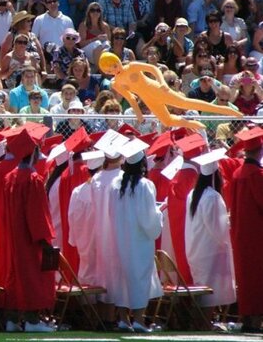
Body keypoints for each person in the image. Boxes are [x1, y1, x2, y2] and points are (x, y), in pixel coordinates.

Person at [98, 52, 240, 130]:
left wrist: (162, 82)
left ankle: (226, 110)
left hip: (158, 89)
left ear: (117, 60)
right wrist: (138, 113)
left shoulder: (132, 66)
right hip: (148, 99)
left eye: (114, 65)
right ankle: (190, 124)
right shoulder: (116, 83)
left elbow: (153, 69)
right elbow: (131, 98)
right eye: (109, 70)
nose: (114, 70)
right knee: (167, 121)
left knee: (185, 103)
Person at [2, 129, 55, 333]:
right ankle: (32, 321)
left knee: (16, 276)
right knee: (32, 275)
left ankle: (12, 320)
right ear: (32, 151)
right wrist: (44, 239)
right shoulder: (33, 179)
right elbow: (37, 214)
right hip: (30, 238)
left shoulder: (10, 178)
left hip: (13, 235)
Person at [109, 151, 163, 332]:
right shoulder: (145, 186)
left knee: (122, 277)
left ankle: (124, 319)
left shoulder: (115, 185)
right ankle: (139, 320)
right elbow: (149, 219)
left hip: (120, 237)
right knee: (140, 277)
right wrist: (160, 213)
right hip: (139, 240)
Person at [185, 150, 236, 323]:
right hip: (211, 250)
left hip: (196, 248)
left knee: (202, 286)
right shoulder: (213, 197)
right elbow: (218, 230)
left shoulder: (193, 194)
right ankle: (205, 322)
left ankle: (201, 322)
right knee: (211, 289)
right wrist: (229, 224)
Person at [230, 127, 263, 333]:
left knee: (245, 277)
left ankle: (248, 319)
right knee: (258, 277)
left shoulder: (236, 173)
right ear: (260, 151)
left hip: (240, 233)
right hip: (257, 234)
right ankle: (256, 321)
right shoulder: (257, 175)